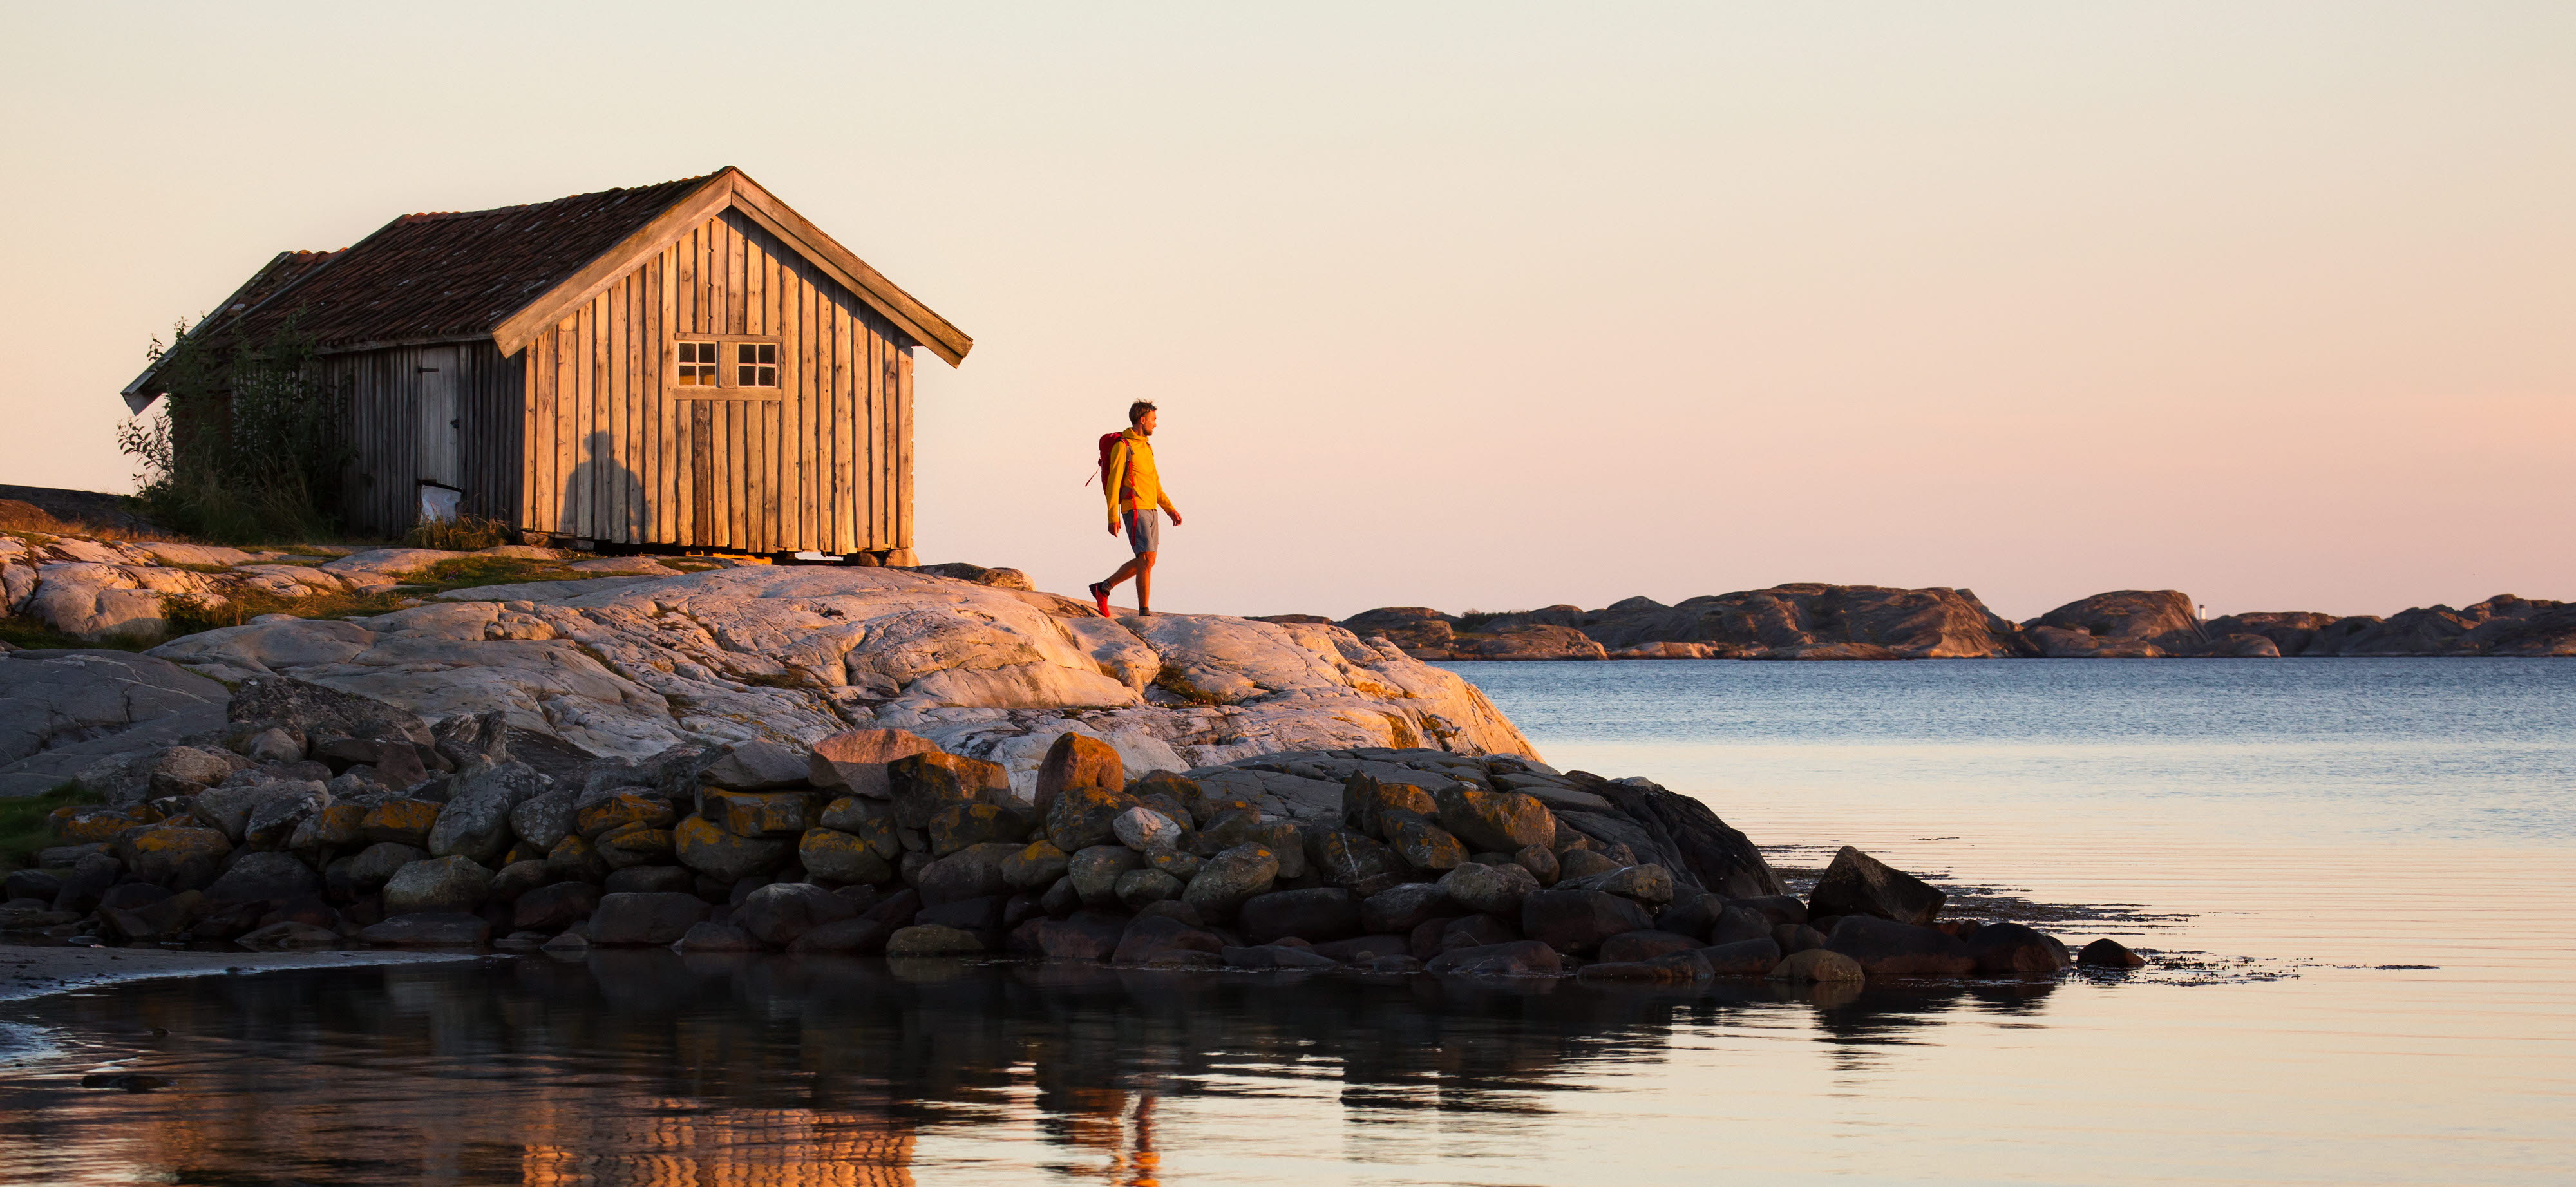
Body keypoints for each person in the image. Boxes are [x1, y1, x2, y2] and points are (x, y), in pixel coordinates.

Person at [1090, 401, 1182, 617]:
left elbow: (1155, 483)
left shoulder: (1147, 448)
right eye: (1154, 419)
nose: (1156, 425)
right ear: (1143, 420)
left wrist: (1169, 509)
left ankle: (1103, 587)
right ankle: (1144, 612)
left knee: (1148, 560)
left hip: (1151, 508)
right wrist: (1112, 516)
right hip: (1134, 508)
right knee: (1146, 559)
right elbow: (1113, 483)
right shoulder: (1124, 446)